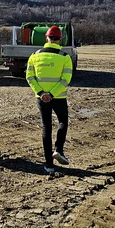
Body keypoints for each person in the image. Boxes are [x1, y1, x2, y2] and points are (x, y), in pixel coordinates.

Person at [26, 25, 74, 174]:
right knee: (62, 122)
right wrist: (52, 94)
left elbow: (29, 77)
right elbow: (66, 79)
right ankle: (58, 149)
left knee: (46, 127)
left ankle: (49, 165)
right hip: (58, 97)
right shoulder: (65, 57)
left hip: (41, 98)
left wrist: (41, 93)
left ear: (46, 38)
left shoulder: (34, 55)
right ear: (60, 40)